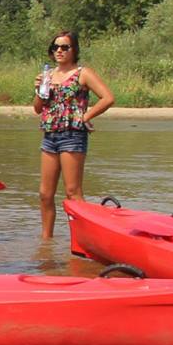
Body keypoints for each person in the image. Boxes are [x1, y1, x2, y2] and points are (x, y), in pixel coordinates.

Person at [34, 29, 115, 240]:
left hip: (72, 135)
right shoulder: (47, 75)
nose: (59, 51)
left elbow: (107, 98)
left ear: (74, 50)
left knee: (73, 193)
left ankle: (84, 240)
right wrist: (38, 90)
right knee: (45, 194)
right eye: (55, 47)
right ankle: (46, 242)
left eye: (64, 47)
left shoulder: (83, 73)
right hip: (50, 135)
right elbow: (37, 108)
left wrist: (85, 117)